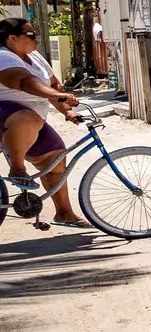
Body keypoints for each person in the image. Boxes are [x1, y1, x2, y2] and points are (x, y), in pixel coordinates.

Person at [0, 18, 87, 227]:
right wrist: (59, 96)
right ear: (12, 38)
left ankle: (64, 213)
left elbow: (53, 84)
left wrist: (68, 111)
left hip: (33, 121)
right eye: (30, 35)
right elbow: (24, 81)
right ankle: (18, 169)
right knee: (28, 118)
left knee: (55, 159)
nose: (36, 38)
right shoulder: (3, 57)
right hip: (7, 115)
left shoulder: (35, 56)